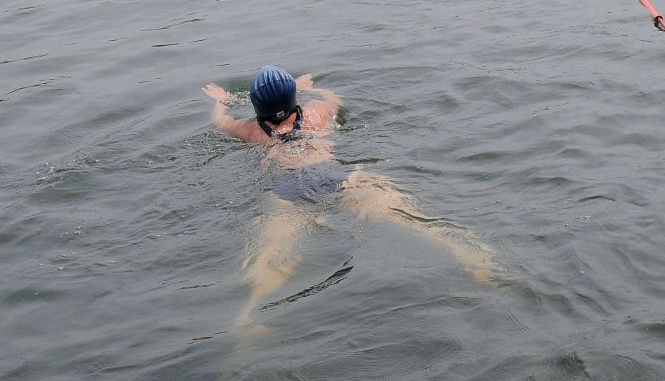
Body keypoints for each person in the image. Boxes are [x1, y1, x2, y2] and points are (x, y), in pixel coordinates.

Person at [204, 67, 495, 329]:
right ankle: (472, 257)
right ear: (293, 98)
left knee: (271, 254)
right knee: (412, 219)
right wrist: (309, 88)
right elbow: (335, 98)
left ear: (257, 106)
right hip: (335, 177)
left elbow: (219, 121)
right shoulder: (316, 114)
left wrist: (221, 100)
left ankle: (248, 315)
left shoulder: (253, 132)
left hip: (288, 191)